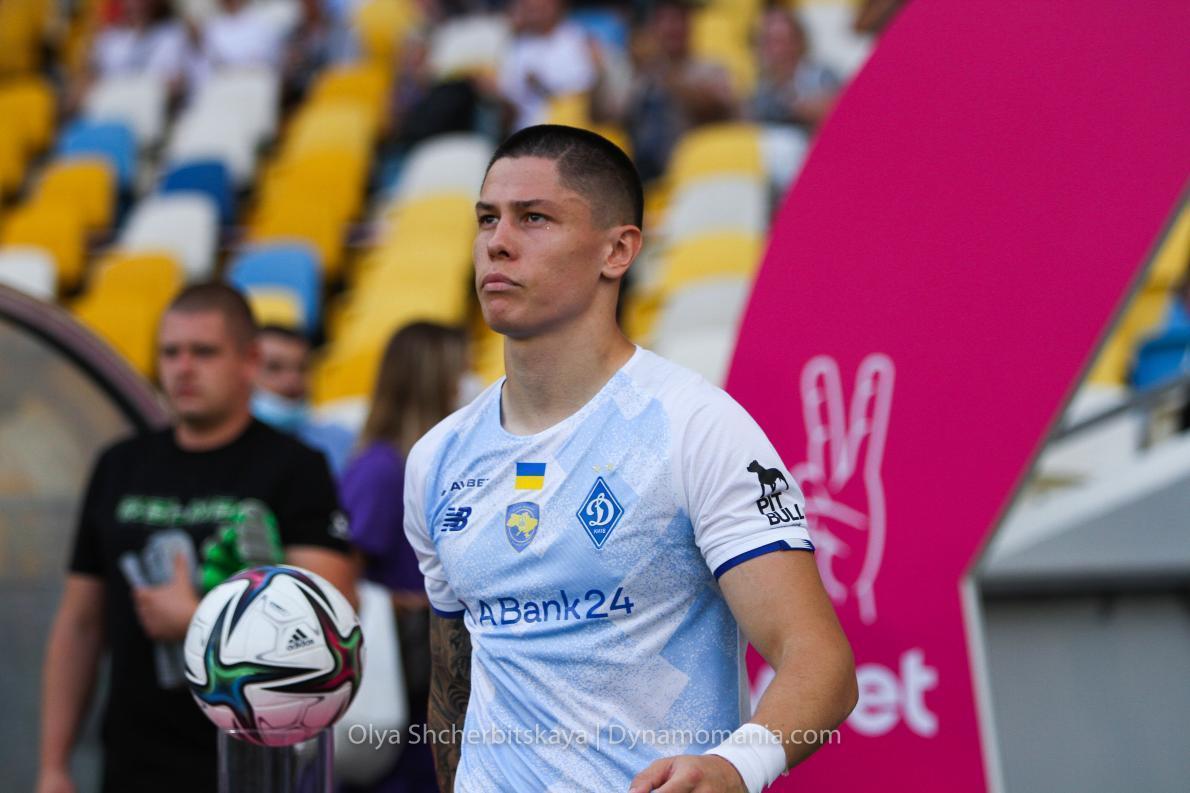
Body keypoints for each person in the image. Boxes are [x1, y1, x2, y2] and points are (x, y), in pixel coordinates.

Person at [403, 125, 857, 792]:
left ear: (617, 250)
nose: (498, 241)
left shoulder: (694, 427)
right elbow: (454, 685)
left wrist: (736, 767)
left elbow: (821, 662)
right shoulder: (438, 458)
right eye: (487, 218)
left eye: (534, 218)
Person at [37, 283, 356, 793]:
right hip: (132, 766)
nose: (183, 368)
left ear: (250, 361)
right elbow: (79, 625)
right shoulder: (119, 465)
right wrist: (53, 766)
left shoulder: (296, 468)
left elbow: (330, 627)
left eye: (204, 352)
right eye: (170, 352)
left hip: (256, 766)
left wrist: (196, 621)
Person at [339, 322, 468, 793]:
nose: (468, 385)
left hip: (431, 677)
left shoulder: (435, 465)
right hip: (398, 684)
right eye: (459, 371)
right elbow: (339, 582)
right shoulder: (382, 470)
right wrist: (411, 604)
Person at [251, 324, 356, 477]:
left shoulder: (342, 441)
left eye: (302, 368)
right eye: (274, 367)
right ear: (245, 371)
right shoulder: (221, 440)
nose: (292, 379)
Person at [749, 7, 840, 131]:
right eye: (766, 42)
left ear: (798, 42)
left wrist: (787, 95)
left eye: (779, 41)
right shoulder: (760, 83)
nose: (774, 50)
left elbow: (833, 111)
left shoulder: (821, 75)